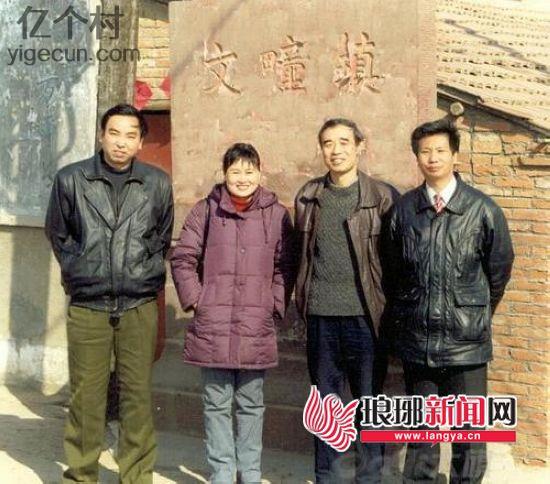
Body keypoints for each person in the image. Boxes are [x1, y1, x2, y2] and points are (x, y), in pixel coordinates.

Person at [45, 103, 174, 483]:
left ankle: (136, 476)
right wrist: (81, 269)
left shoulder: (157, 183)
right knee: (86, 399)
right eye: (114, 133)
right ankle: (81, 475)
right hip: (89, 305)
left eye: (130, 135)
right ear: (101, 136)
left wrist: (144, 271)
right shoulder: (71, 179)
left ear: (140, 142)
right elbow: (58, 234)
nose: (121, 142)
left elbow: (161, 237)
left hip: (138, 304)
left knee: (137, 398)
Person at [382, 119, 514, 483]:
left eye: (441, 150)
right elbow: (392, 274)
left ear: (455, 155)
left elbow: (498, 273)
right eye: (425, 151)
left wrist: (471, 313)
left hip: (467, 345)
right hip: (417, 341)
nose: (433, 158)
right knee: (421, 433)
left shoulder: (482, 209)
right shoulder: (403, 211)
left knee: (468, 435)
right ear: (416, 157)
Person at [170, 143, 295, 484]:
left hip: (255, 324)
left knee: (252, 403)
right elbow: (183, 258)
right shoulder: (206, 210)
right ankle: (222, 472)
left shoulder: (276, 214)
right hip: (213, 324)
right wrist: (198, 300)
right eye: (235, 171)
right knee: (216, 403)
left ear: (260, 173)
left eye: (249, 171)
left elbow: (285, 265)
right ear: (224, 174)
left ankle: (250, 472)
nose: (242, 178)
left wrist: (273, 303)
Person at [294, 118, 397, 483]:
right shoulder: (308, 196)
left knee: (370, 404)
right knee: (326, 407)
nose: (335, 150)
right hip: (321, 317)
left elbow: (393, 262)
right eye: (328, 143)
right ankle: (329, 478)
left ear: (359, 146)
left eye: (343, 142)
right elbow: (300, 256)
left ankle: (368, 478)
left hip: (366, 318)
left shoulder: (382, 197)